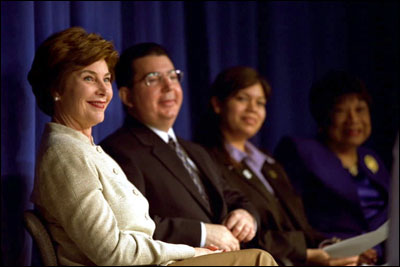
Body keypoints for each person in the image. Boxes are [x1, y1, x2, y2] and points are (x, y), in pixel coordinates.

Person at [27, 27, 277, 266]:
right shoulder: (66, 153)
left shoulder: (86, 149)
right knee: (258, 260)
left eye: (106, 79)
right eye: (89, 78)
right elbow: (110, 251)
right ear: (56, 89)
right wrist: (192, 251)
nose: (104, 90)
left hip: (163, 261)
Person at [194, 66, 371, 266]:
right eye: (243, 99)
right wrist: (308, 255)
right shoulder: (206, 160)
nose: (253, 108)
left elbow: (300, 224)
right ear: (218, 104)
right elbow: (241, 235)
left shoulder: (269, 163)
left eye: (260, 102)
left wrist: (333, 246)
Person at [100, 43, 259, 253]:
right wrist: (202, 233)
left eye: (173, 77)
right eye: (153, 79)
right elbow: (132, 227)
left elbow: (234, 197)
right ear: (127, 96)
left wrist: (245, 215)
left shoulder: (195, 151)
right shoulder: (118, 151)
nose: (169, 87)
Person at [274, 70, 390, 263]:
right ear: (323, 117)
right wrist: (338, 246)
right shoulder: (301, 151)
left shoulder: (371, 157)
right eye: (341, 111)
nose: (353, 119)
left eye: (360, 109)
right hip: (334, 254)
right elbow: (288, 217)